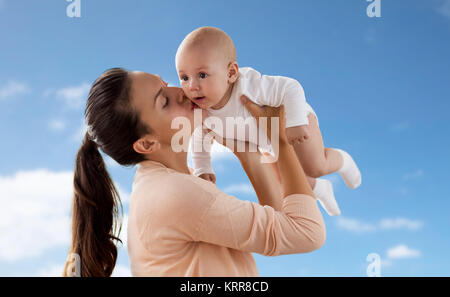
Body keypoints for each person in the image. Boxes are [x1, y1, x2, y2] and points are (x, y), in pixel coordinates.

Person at [63, 67, 326, 277]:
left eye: (165, 83)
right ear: (146, 143)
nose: (181, 91)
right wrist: (280, 138)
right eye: (164, 101)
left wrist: (244, 149)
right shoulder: (176, 194)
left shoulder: (166, 184)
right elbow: (306, 233)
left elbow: (281, 224)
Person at [176, 26, 363, 216]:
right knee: (286, 180)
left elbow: (290, 87)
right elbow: (200, 135)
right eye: (184, 77)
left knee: (313, 166)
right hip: (267, 142)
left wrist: (296, 121)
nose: (192, 86)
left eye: (202, 75)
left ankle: (343, 160)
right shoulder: (201, 110)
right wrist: (202, 167)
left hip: (294, 120)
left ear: (231, 73)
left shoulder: (249, 86)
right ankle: (321, 189)